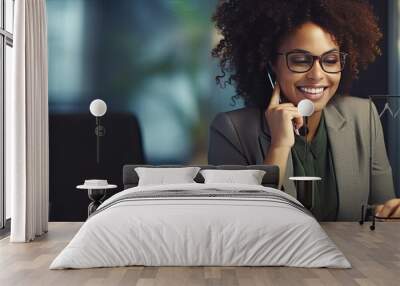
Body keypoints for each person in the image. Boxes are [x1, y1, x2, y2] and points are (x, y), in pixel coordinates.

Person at [208, 0, 400, 221]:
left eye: (330, 60)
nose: (317, 74)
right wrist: (279, 146)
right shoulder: (231, 131)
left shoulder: (363, 116)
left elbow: (380, 211)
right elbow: (240, 222)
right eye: (300, 60)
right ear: (271, 64)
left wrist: (390, 211)